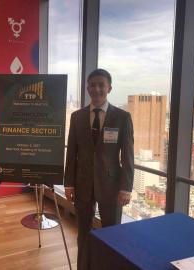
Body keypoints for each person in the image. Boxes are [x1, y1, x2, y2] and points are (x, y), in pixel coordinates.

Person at [64, 68, 134, 270]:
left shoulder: (122, 117)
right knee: (83, 235)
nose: (96, 89)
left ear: (109, 88)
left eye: (101, 85)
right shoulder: (77, 117)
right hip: (82, 183)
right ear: (87, 88)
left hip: (111, 186)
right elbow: (72, 154)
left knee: (112, 235)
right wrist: (68, 184)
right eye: (92, 85)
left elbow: (128, 156)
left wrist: (126, 188)